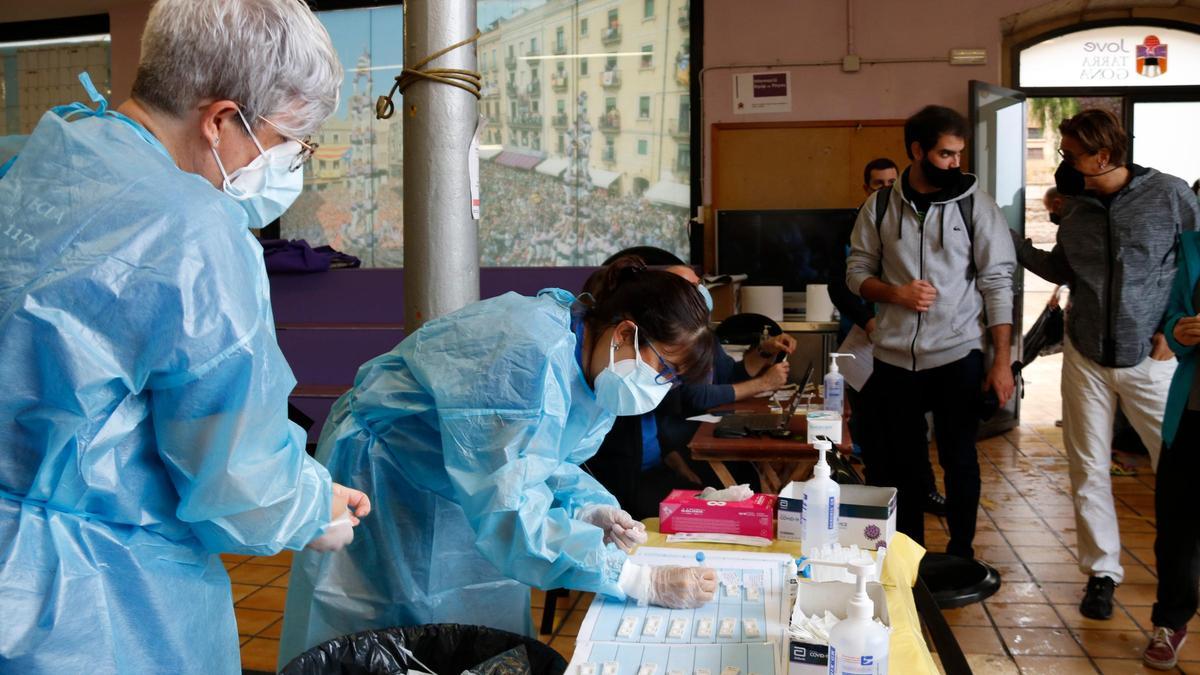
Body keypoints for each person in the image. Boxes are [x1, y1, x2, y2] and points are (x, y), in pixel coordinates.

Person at [0, 1, 372, 673]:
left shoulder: (43, 159)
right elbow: (235, 475)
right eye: (291, 141)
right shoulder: (193, 228)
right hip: (92, 610)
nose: (293, 163)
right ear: (223, 120)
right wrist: (314, 508)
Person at [279, 258, 720, 665]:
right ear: (625, 333)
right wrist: (635, 580)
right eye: (664, 368)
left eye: (673, 379)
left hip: (458, 480)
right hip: (383, 475)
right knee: (381, 627)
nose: (660, 386)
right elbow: (506, 505)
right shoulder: (526, 350)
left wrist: (585, 506)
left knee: (470, 619)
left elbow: (543, 460)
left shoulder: (595, 370)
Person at [1012, 109, 1200, 620]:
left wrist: (1175, 331)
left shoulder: (1171, 195)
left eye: (1071, 155)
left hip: (1155, 356)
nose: (1064, 164)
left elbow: (1196, 263)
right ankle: (1102, 573)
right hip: (1086, 355)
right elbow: (1063, 270)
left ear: (1104, 156)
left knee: (1180, 471)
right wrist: (1017, 248)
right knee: (1088, 466)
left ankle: (1185, 575)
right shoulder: (1076, 211)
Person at [846, 105, 1016, 559]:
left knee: (959, 458)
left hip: (959, 355)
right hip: (895, 359)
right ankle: (911, 555)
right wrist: (894, 293)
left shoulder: (975, 203)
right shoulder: (880, 205)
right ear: (917, 151)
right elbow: (856, 271)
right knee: (903, 464)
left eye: (959, 154)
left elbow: (998, 281)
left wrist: (1001, 360)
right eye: (945, 154)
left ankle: (962, 551)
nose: (955, 163)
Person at [586, 264, 795, 518]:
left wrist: (763, 353)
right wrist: (762, 384)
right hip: (630, 480)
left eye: (700, 285)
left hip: (658, 463)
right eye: (692, 288)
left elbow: (728, 374)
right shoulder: (616, 378)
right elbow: (692, 396)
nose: (701, 292)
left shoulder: (696, 339)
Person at [830, 157, 947, 515]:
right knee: (869, 424)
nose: (884, 188)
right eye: (877, 183)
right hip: (860, 341)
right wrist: (866, 320)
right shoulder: (850, 226)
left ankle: (924, 491)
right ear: (867, 188)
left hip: (906, 343)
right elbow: (840, 285)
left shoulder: (913, 225)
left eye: (890, 182)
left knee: (912, 425)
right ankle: (877, 497)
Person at [1143, 228, 1200, 669]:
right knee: (1176, 526)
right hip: (1192, 412)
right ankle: (1170, 620)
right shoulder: (1193, 246)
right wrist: (1180, 332)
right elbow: (1174, 321)